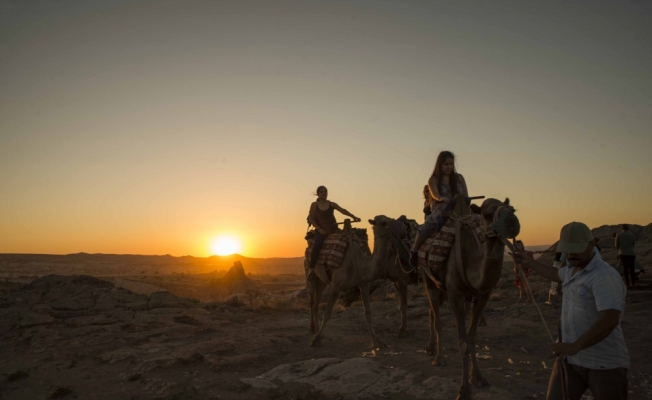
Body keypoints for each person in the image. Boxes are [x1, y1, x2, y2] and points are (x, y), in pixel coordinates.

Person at [512, 222, 630, 400]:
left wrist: (577, 345)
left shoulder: (603, 276)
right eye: (567, 249)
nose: (571, 254)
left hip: (604, 364)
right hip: (569, 361)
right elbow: (554, 274)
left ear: (592, 245)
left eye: (577, 249)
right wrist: (528, 261)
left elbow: (611, 318)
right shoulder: (571, 269)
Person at [410, 151, 468, 266]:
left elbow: (466, 195)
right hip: (441, 210)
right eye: (446, 164)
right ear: (440, 165)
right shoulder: (433, 180)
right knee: (428, 225)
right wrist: (442, 198)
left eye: (451, 164)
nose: (449, 167)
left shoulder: (459, 178)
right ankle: (414, 251)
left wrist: (465, 201)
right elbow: (435, 195)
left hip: (458, 210)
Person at [307, 186, 360, 280]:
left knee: (350, 239)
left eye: (325, 192)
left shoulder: (331, 204)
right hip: (321, 231)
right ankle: (311, 269)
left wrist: (353, 217)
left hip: (333, 229)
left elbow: (342, 210)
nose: (324, 193)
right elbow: (311, 219)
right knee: (317, 244)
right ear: (318, 193)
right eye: (322, 192)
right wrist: (319, 229)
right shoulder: (314, 205)